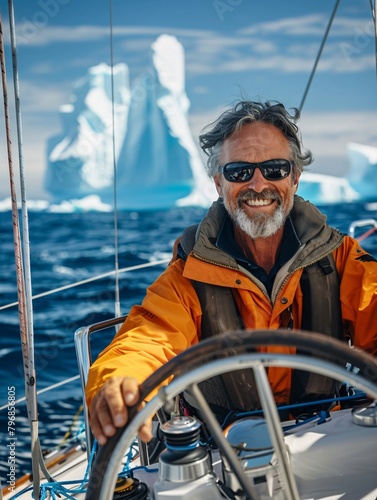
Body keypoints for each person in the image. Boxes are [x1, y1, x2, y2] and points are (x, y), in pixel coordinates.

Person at [86, 100, 377, 446]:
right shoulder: (187, 275)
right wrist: (118, 381)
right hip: (222, 451)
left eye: (275, 169)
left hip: (327, 439)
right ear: (218, 184)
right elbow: (148, 338)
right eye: (239, 171)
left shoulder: (340, 258)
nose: (257, 185)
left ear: (295, 178)